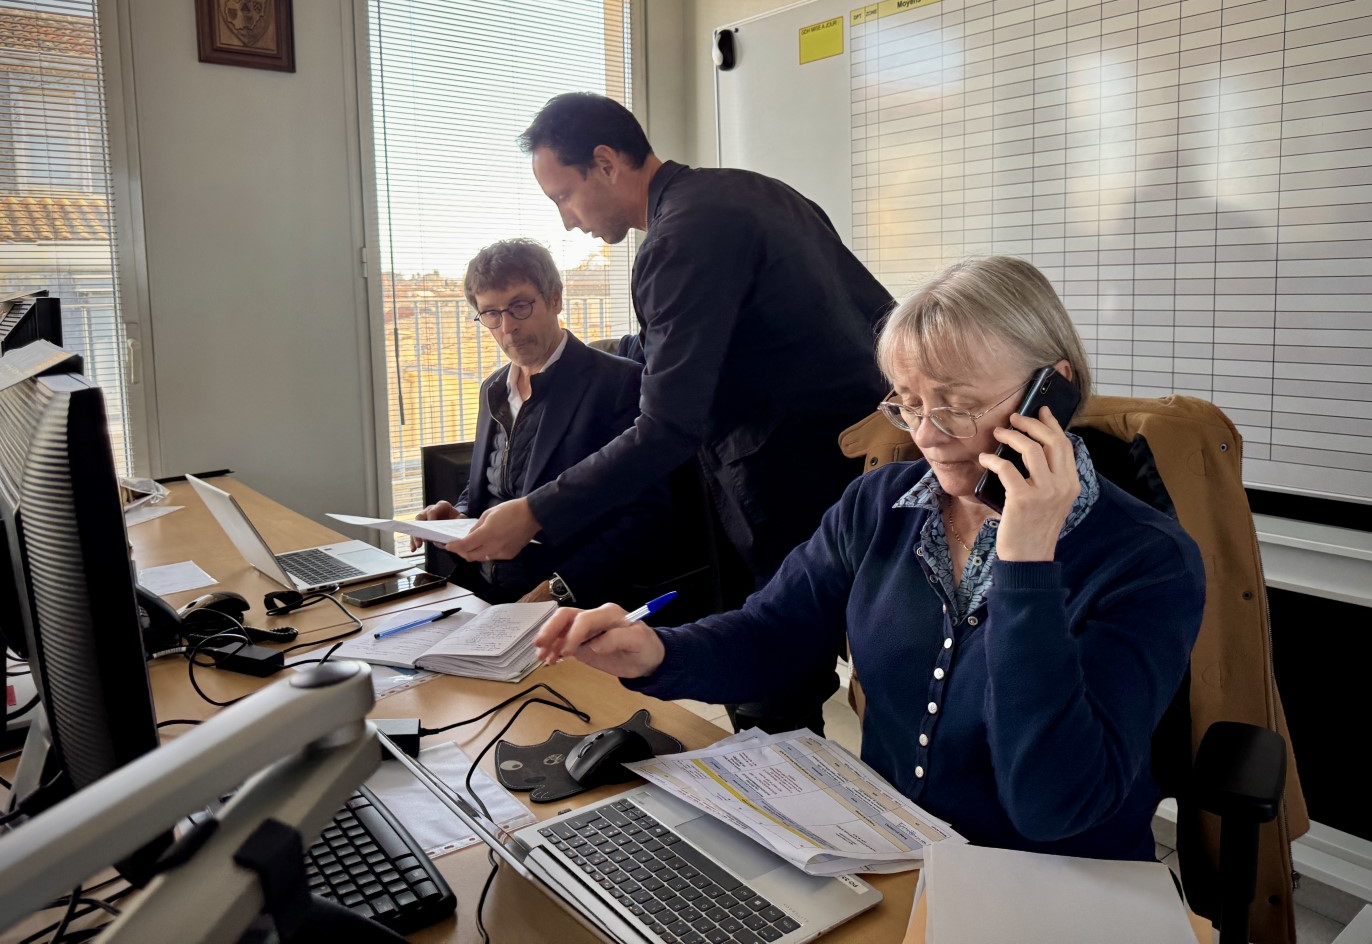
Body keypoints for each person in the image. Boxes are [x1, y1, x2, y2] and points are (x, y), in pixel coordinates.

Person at [534, 255, 1206, 861]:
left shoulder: (1147, 559)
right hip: (895, 855)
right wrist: (656, 652)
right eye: (908, 404)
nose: (926, 435)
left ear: (1051, 392)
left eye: (959, 406)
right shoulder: (880, 504)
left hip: (1057, 885)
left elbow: (1054, 805)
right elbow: (774, 633)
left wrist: (1026, 564)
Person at [446, 93, 895, 734]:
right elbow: (872, 323)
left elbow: (668, 428)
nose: (568, 222)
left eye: (564, 197)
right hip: (866, 480)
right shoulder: (760, 194)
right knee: (857, 680)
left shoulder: (676, 239)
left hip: (785, 492)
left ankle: (788, 797)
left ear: (606, 163)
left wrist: (535, 511)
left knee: (771, 693)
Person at [415, 238, 688, 612]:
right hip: (480, 596)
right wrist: (460, 517)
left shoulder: (619, 383)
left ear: (555, 299)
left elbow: (648, 519)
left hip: (570, 605)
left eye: (519, 306)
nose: (507, 327)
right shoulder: (493, 388)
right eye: (491, 313)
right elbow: (497, 483)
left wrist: (559, 589)